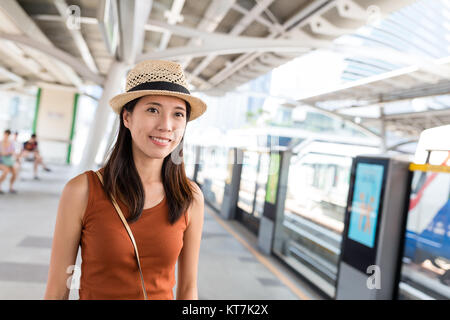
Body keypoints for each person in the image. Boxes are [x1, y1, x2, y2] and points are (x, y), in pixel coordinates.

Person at [44, 60, 207, 300]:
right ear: (127, 118)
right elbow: (58, 288)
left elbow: (188, 289)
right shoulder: (82, 191)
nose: (166, 125)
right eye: (153, 110)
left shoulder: (189, 196)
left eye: (178, 114)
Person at [0, 129, 19, 194]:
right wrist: (6, 153)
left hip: (9, 160)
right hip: (1, 160)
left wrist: (13, 154)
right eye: (5, 134)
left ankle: (11, 187)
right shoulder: (1, 142)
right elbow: (2, 153)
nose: (6, 136)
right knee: (6, 171)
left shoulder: (11, 143)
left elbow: (13, 152)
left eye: (7, 135)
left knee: (15, 173)